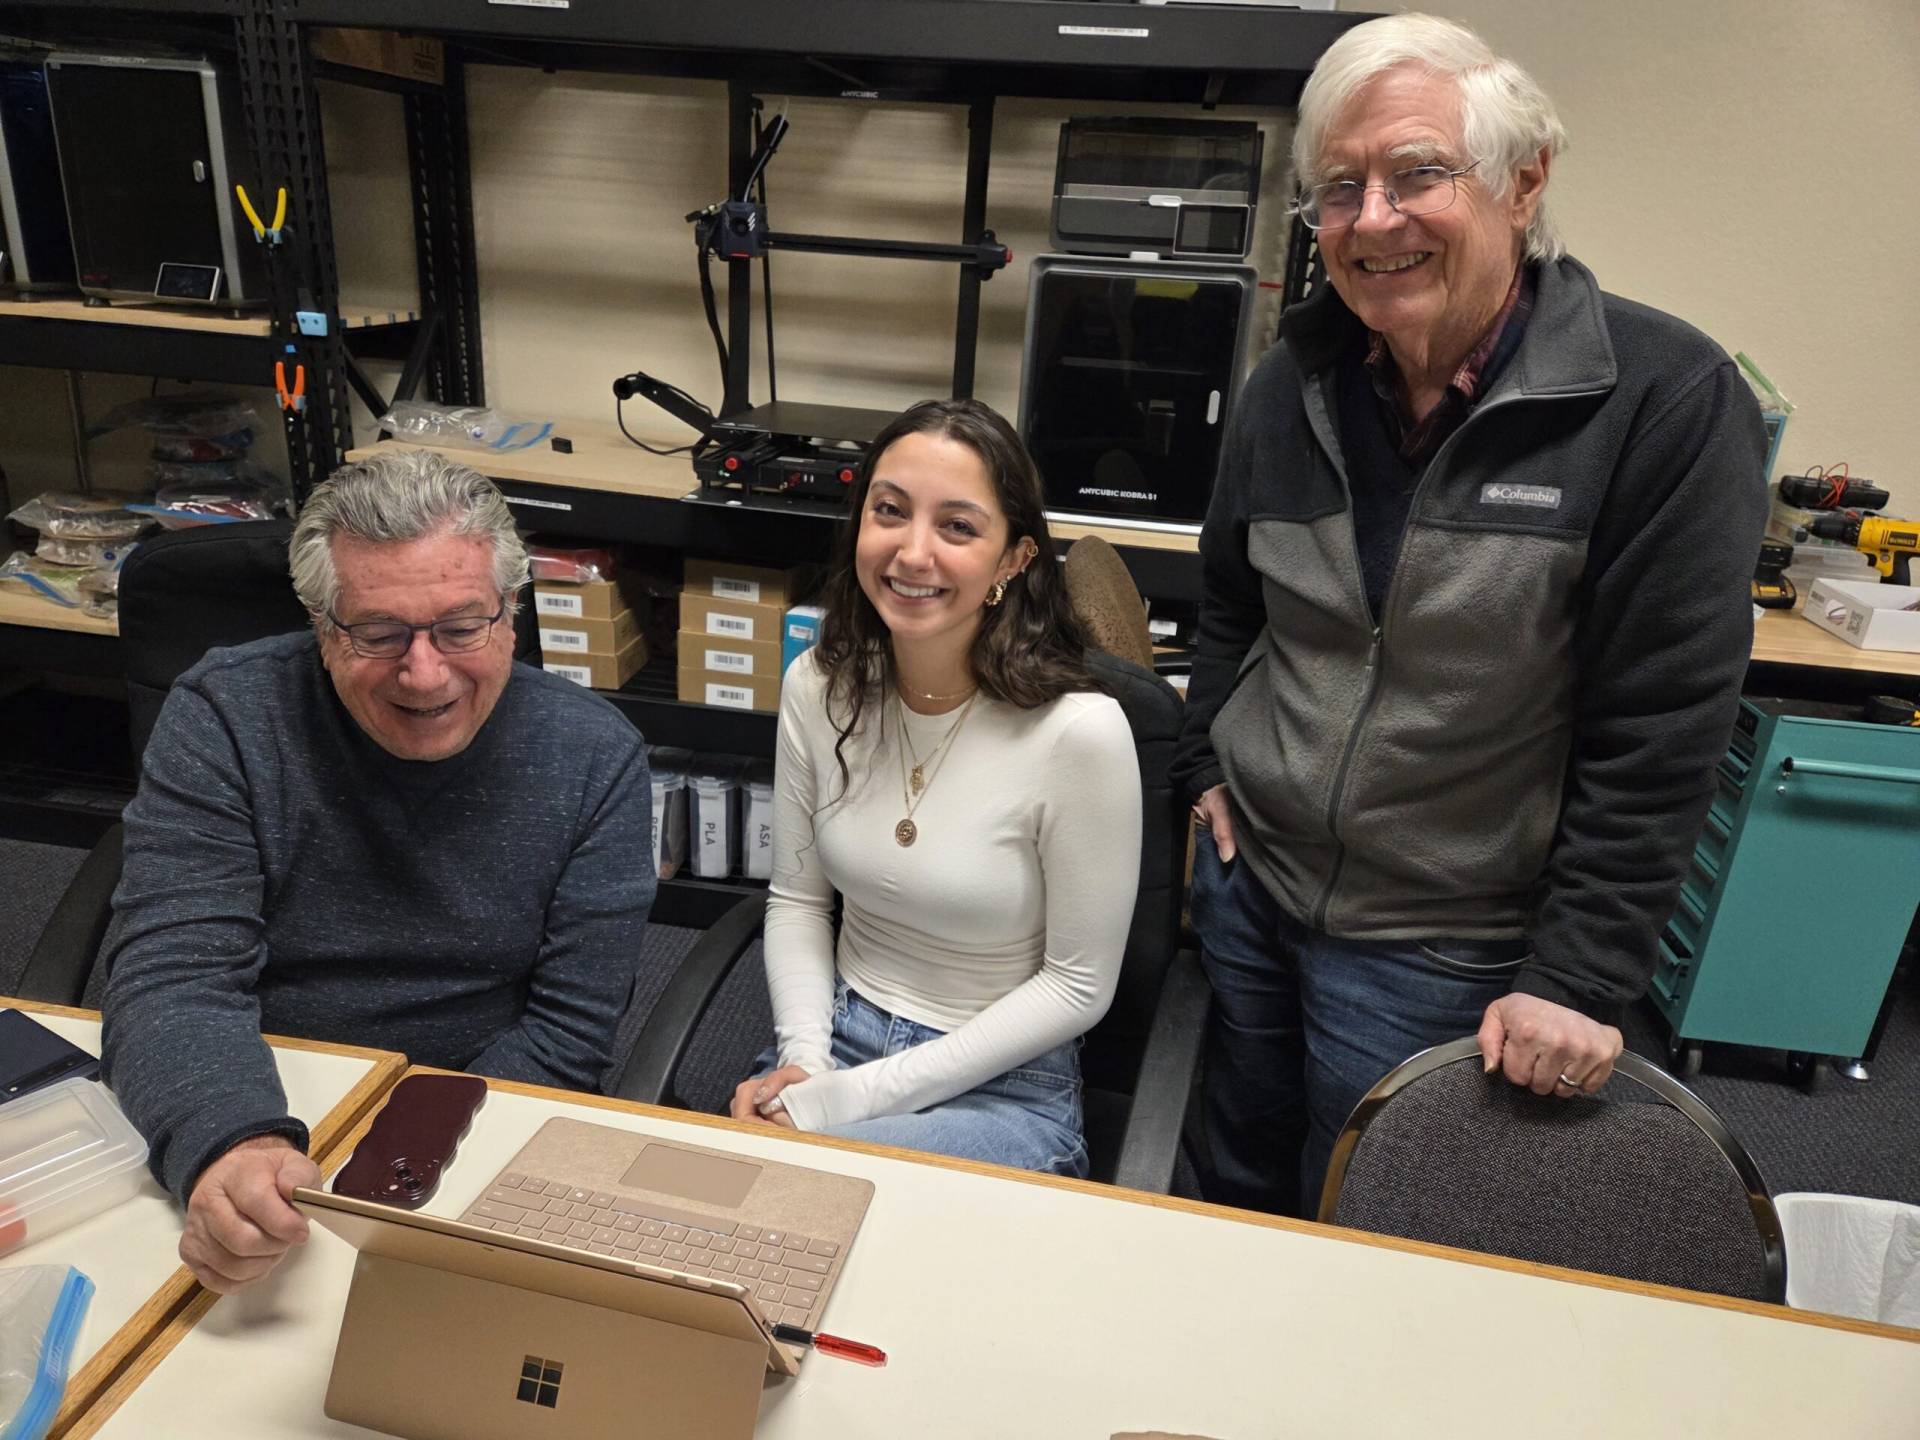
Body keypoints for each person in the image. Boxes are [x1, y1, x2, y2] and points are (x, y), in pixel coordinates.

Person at [1173, 14, 1768, 1216]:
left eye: (1416, 175)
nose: (1372, 220)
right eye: (1339, 190)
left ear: (1523, 182)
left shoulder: (1662, 402)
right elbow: (1229, 601)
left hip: (1445, 944)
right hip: (1253, 887)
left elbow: (1662, 728)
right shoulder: (1290, 386)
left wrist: (1580, 975)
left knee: (1374, 1226)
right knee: (1229, 1182)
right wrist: (1203, 764)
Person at [101, 450, 655, 1290]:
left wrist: (398, 1175)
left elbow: (567, 1034)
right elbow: (176, 974)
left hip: (469, 1108)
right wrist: (236, 1140)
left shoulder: (594, 757)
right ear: (322, 626)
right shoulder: (226, 717)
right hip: (257, 1078)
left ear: (510, 614)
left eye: (461, 628)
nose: (425, 674)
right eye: (379, 633)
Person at [728, 398, 1142, 1175]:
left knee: (807, 1183)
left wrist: (847, 1104)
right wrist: (807, 1062)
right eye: (889, 512)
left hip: (1002, 1083)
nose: (912, 553)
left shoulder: (1080, 734)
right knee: (726, 1201)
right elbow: (798, 900)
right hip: (835, 1040)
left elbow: (1078, 985)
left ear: (1014, 559)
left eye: (957, 527)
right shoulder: (819, 686)